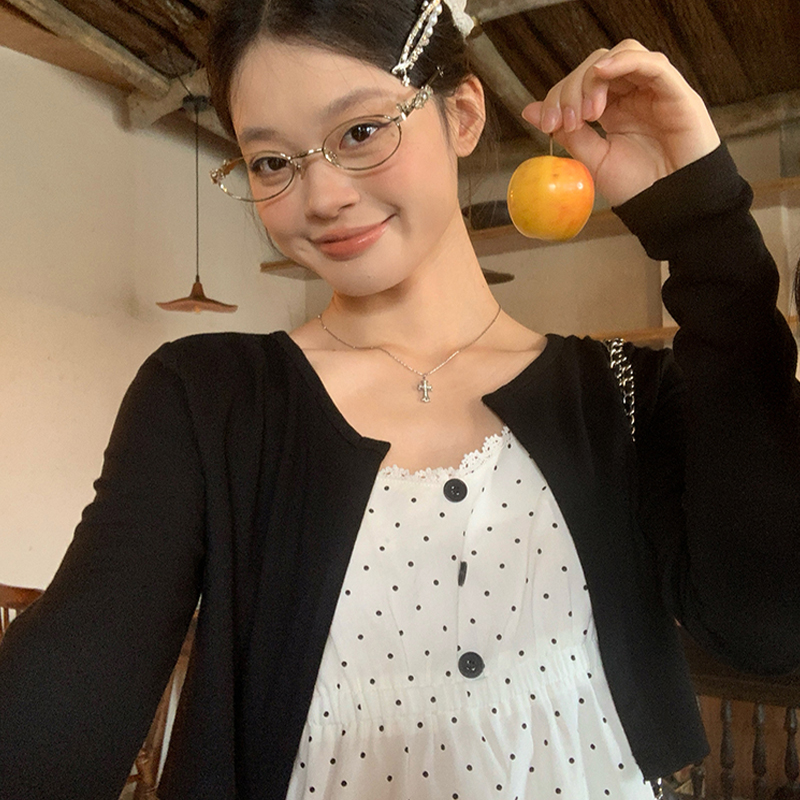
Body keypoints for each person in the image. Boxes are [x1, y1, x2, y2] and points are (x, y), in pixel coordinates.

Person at [1, 1, 798, 798]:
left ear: (462, 114)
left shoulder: (621, 396)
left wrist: (703, 226)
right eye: (271, 161)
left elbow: (766, 626)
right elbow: (65, 701)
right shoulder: (207, 401)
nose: (321, 196)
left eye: (360, 131)